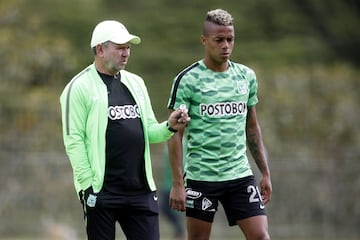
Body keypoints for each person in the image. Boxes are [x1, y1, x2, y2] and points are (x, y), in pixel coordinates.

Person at [59, 20, 190, 240]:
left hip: (140, 192)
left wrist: (169, 126)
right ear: (100, 49)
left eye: (128, 47)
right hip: (102, 192)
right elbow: (74, 141)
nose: (126, 53)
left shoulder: (136, 82)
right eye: (120, 47)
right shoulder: (78, 87)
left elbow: (149, 131)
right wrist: (88, 187)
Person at [167, 9, 272, 240]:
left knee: (261, 236)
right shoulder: (187, 80)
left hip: (239, 175)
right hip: (202, 177)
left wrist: (264, 172)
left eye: (230, 39)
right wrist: (177, 184)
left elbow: (252, 127)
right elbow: (174, 133)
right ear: (204, 41)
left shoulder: (246, 77)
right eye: (219, 40)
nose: (226, 45)